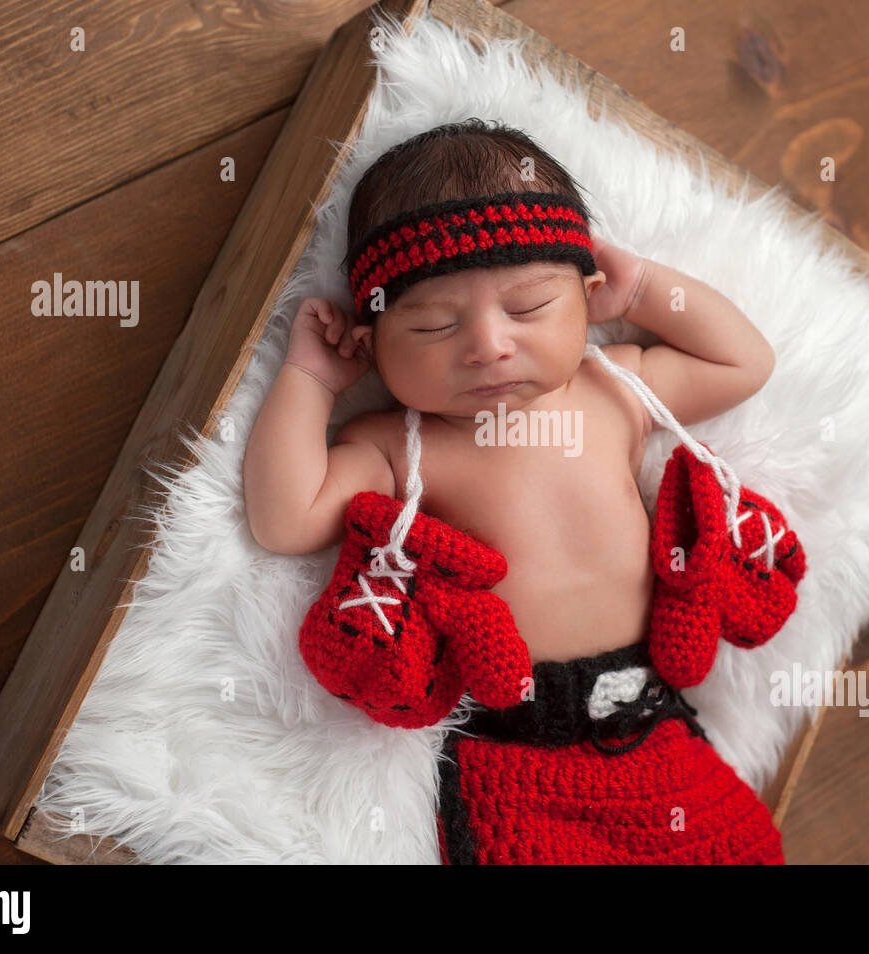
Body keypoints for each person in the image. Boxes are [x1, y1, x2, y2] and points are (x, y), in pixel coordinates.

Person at [243, 118, 800, 864]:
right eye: (435, 325)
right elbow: (284, 519)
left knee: (741, 850)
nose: (488, 345)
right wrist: (309, 380)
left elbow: (745, 363)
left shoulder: (614, 388)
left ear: (587, 294)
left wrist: (641, 288)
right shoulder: (399, 444)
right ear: (374, 345)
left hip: (653, 716)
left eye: (529, 307)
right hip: (519, 752)